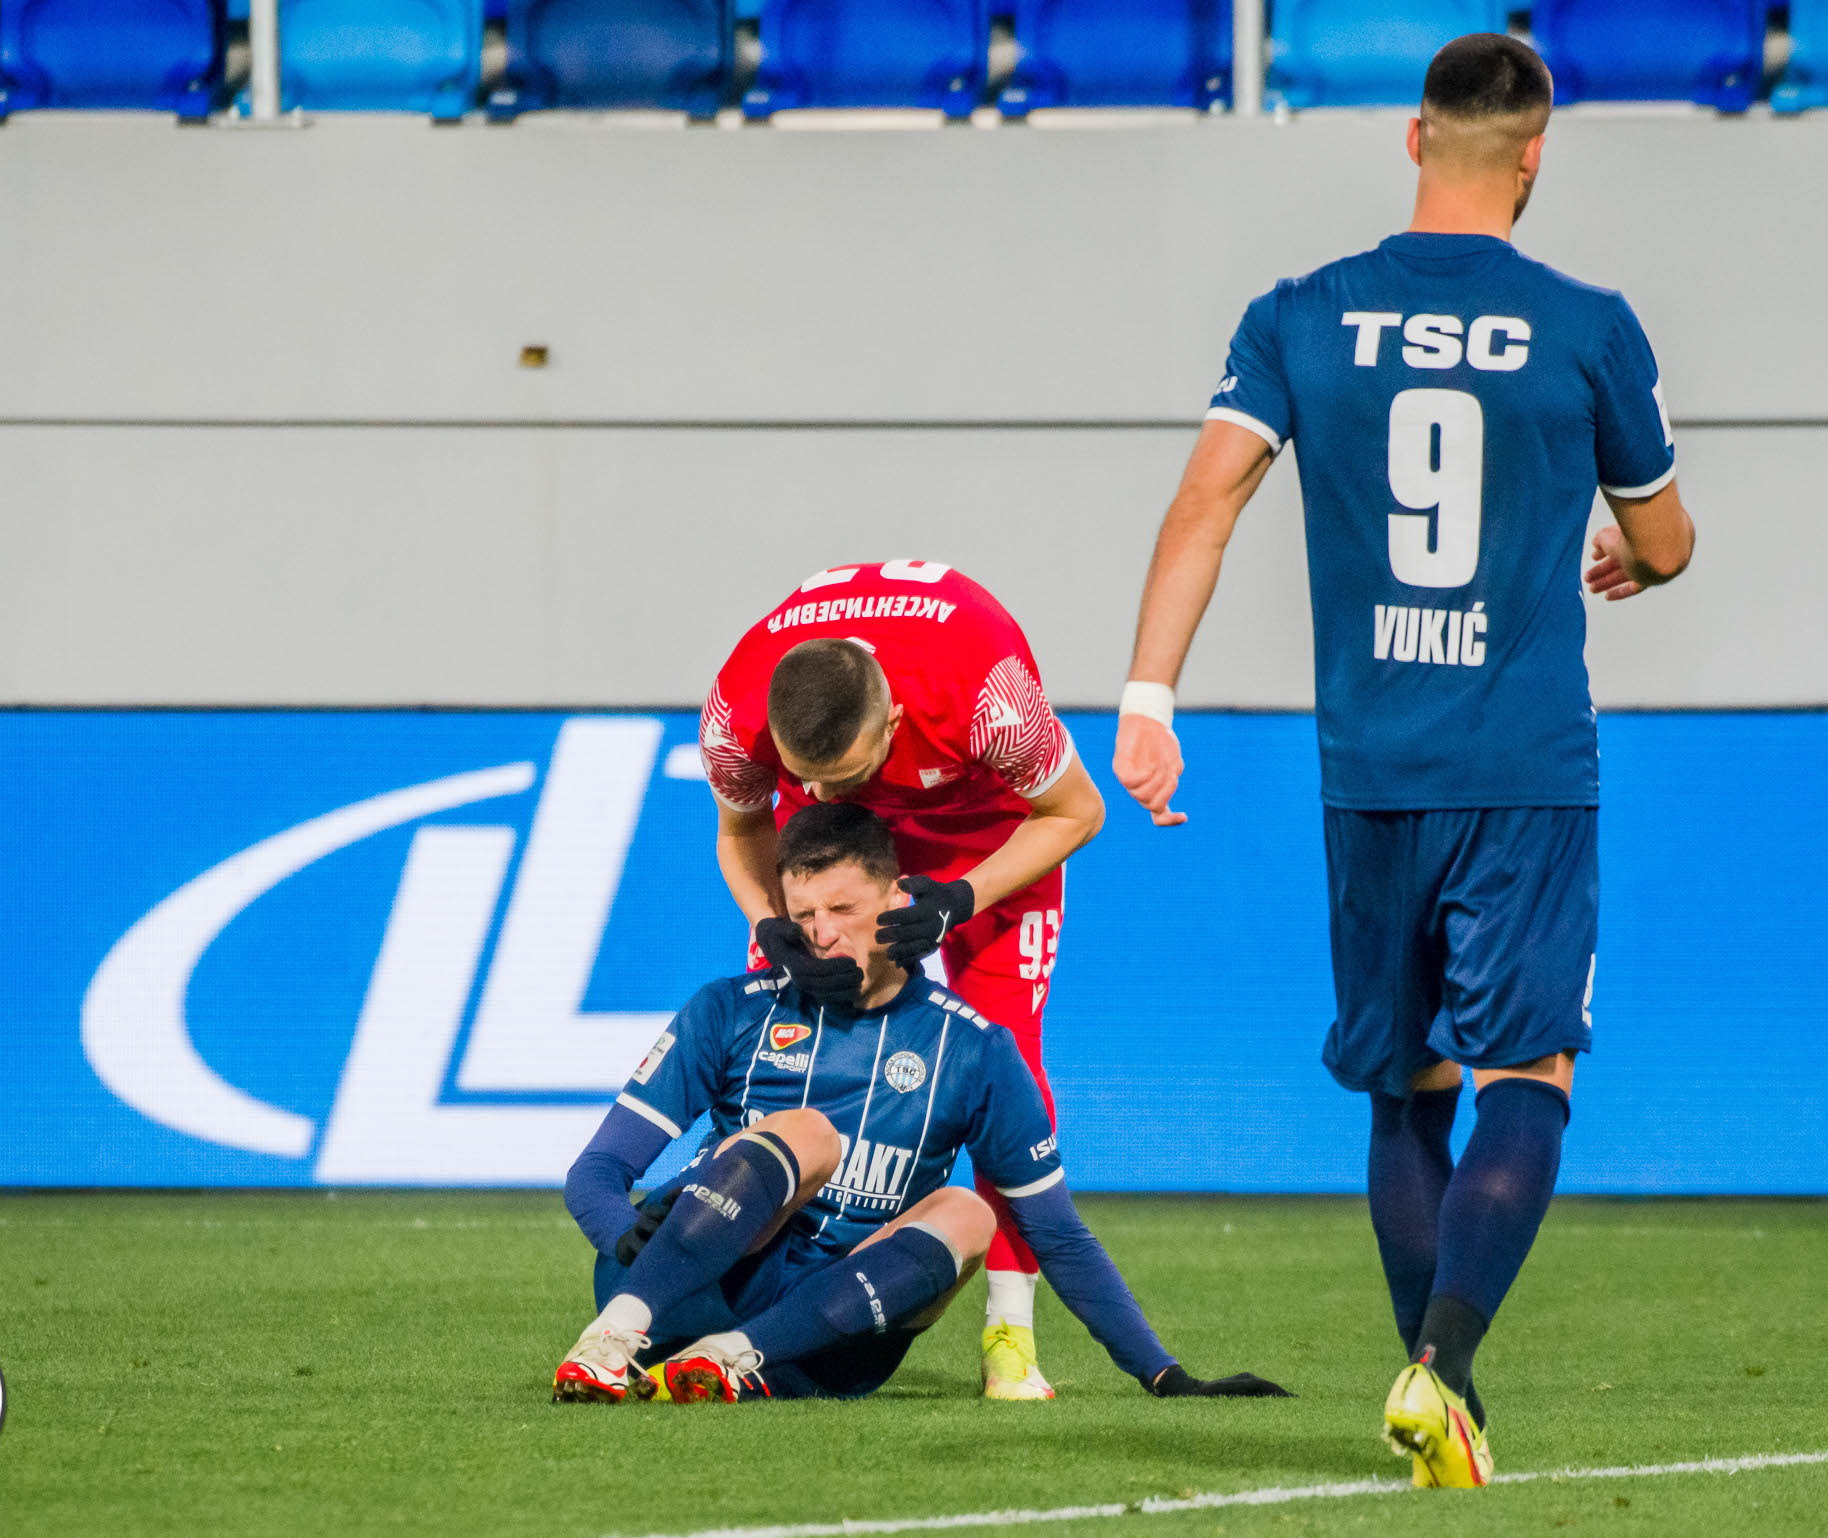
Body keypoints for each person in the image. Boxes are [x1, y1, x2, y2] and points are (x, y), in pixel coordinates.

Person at [1111, 34, 1696, 1488]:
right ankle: (1440, 1370)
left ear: (1414, 138)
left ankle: (1443, 1398)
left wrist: (1146, 697)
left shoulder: (1299, 316)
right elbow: (1669, 542)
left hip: (1367, 766)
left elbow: (1203, 505)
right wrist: (1630, 551)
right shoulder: (1589, 326)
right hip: (1523, 764)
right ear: (1536, 154)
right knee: (1533, 1069)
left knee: (1405, 1085)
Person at [553, 802, 1287, 1406]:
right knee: (808, 1132)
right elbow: (595, 1173)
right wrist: (630, 1242)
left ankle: (735, 1360)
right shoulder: (731, 1008)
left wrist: (1162, 1373)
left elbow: (1056, 1233)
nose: (821, 933)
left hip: (819, 1342)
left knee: (972, 1212)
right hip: (670, 1291)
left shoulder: (975, 1051)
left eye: (842, 907)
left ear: (899, 899)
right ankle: (606, 1345)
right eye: (802, 913)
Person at [699, 560, 1105, 1399]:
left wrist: (959, 899)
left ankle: (1009, 1342)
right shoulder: (735, 711)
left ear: (896, 719)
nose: (815, 789)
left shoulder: (987, 689)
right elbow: (740, 830)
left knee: (1009, 1065)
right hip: (836, 849)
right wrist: (767, 921)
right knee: (776, 1051)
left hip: (987, 843)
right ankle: (739, 1293)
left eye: (839, 774)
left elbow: (1077, 810)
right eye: (801, 775)